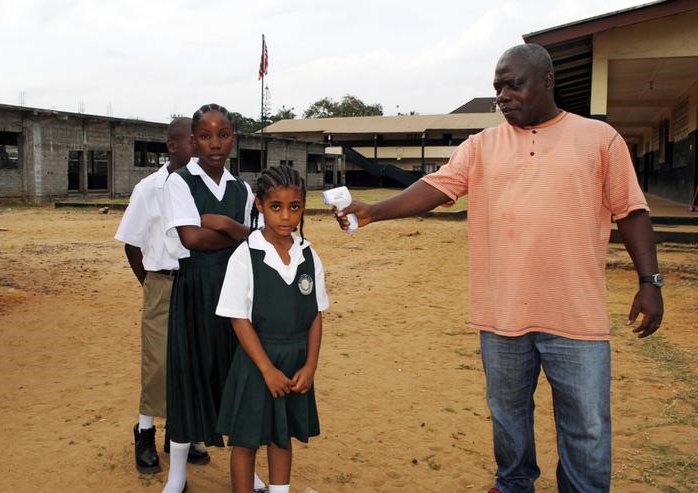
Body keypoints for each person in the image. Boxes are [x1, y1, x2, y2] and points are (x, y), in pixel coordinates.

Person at [334, 44, 664, 493]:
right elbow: (435, 187)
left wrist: (651, 281)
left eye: (514, 85)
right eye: (497, 88)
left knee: (586, 425)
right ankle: (513, 484)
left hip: (575, 315)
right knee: (508, 416)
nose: (504, 96)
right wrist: (373, 210)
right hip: (502, 313)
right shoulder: (481, 146)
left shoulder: (598, 139)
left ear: (547, 82)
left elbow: (631, 211)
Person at [161, 104, 265, 493]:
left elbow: (249, 239)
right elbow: (191, 239)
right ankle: (177, 475)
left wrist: (223, 223)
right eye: (205, 136)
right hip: (194, 292)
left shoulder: (241, 188)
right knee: (190, 375)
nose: (215, 144)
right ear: (193, 141)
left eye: (223, 135)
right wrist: (236, 232)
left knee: (238, 378)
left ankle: (246, 471)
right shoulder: (179, 182)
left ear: (233, 139)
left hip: (235, 293)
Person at [215, 165, 328, 493]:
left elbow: (317, 315)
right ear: (260, 206)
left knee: (282, 434)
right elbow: (238, 319)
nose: (285, 217)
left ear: (303, 207)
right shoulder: (245, 256)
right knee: (246, 439)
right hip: (257, 362)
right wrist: (266, 369)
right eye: (275, 207)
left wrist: (310, 365)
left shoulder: (309, 256)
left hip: (295, 363)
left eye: (294, 207)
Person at [114, 117, 209, 473]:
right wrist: (151, 282)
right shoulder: (148, 189)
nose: (200, 147)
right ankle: (145, 432)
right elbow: (132, 244)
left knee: (192, 361)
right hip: (162, 283)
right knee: (157, 364)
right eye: (193, 141)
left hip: (197, 285)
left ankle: (180, 434)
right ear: (172, 146)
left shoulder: (202, 186)